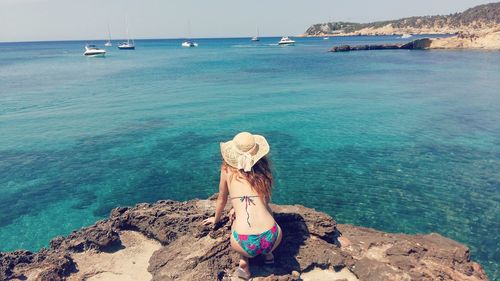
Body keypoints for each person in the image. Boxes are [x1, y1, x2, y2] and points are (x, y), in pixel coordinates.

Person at [202, 132, 282, 280]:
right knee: (267, 209)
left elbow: (221, 199)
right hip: (272, 239)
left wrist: (216, 219)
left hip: (243, 242)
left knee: (235, 219)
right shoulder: (263, 171)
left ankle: (244, 261)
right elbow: (263, 202)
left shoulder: (227, 170)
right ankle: (268, 255)